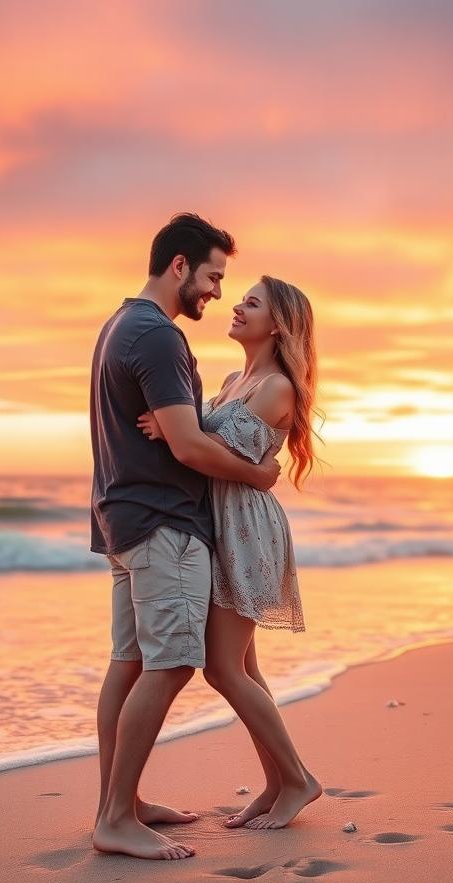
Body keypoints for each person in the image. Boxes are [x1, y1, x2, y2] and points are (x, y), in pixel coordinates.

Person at [89, 214, 280, 861]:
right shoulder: (158, 336)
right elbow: (191, 446)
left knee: (132, 662)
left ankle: (121, 802)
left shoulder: (118, 324)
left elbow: (181, 430)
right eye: (212, 277)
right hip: (164, 523)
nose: (217, 293)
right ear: (178, 266)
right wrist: (257, 474)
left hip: (123, 520)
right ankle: (115, 817)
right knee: (169, 664)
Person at [139, 275, 322, 829]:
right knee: (243, 665)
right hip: (221, 525)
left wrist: (175, 432)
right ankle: (275, 784)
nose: (237, 307)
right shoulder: (230, 379)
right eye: (240, 298)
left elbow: (206, 452)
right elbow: (203, 443)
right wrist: (183, 432)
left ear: (280, 324)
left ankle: (298, 780)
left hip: (247, 532)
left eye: (252, 303)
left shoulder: (277, 387)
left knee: (221, 668)